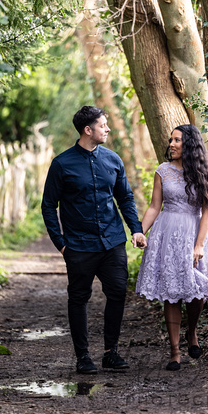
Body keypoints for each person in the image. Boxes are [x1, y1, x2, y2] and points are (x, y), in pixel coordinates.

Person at [41, 106, 147, 375]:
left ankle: (111, 352)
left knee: (117, 293)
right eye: (103, 125)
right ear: (88, 130)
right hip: (78, 246)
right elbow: (48, 205)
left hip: (112, 242)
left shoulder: (113, 160)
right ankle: (83, 357)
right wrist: (61, 243)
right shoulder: (61, 164)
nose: (107, 129)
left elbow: (125, 198)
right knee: (78, 298)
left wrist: (136, 229)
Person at [135, 124, 208, 371]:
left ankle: (191, 332)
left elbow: (207, 211)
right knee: (171, 291)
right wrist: (140, 230)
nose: (171, 144)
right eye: (171, 139)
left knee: (198, 290)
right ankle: (174, 351)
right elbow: (154, 207)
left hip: (196, 233)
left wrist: (199, 245)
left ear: (190, 145)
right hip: (167, 234)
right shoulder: (163, 171)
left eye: (177, 140)